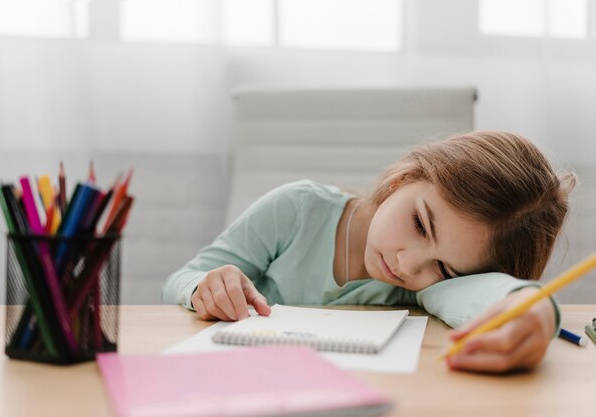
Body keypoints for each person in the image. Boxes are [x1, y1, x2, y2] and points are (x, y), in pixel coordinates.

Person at [162, 131, 576, 373]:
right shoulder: (297, 210)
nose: (407, 265)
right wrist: (205, 285)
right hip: (242, 378)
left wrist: (533, 307)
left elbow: (488, 294)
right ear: (403, 178)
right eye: (420, 224)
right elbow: (180, 281)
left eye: (444, 268)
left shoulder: (424, 287)